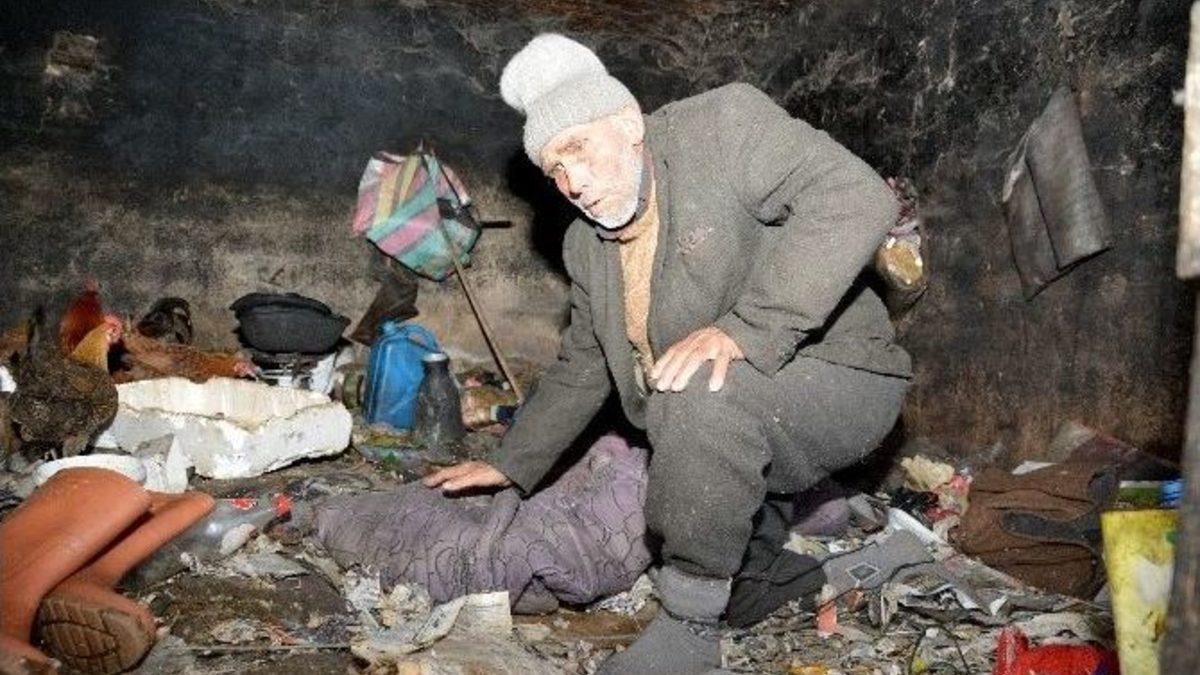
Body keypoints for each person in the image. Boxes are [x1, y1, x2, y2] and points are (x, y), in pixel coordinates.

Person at [424, 33, 912, 674]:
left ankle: (688, 631)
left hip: (840, 379)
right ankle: (789, 572)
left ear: (629, 124)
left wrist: (747, 327)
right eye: (554, 169)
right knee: (724, 539)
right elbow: (584, 363)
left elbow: (857, 196)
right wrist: (512, 462)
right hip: (744, 406)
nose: (572, 183)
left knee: (691, 387)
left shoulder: (721, 128)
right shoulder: (584, 245)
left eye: (578, 148)